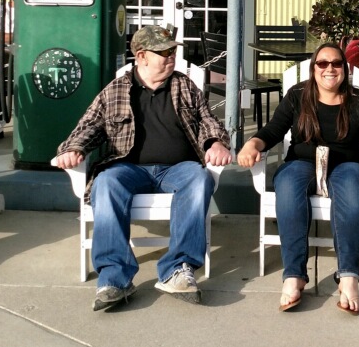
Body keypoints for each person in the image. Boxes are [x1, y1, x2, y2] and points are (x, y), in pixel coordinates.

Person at [51, 25, 232, 311]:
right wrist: (73, 148)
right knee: (106, 183)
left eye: (173, 51)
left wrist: (215, 143)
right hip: (130, 168)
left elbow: (208, 119)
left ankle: (177, 268)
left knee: (199, 179)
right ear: (142, 56)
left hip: (178, 168)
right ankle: (114, 278)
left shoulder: (183, 85)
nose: (171, 56)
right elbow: (89, 126)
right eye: (164, 52)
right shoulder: (117, 90)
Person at [236, 43, 359, 314]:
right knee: (288, 187)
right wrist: (252, 145)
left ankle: (349, 276)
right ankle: (294, 275)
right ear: (313, 68)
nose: (330, 69)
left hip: (348, 165)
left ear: (345, 68)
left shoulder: (358, 101)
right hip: (302, 162)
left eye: (336, 63)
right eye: (323, 63)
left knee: (351, 193)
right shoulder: (297, 96)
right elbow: (273, 130)